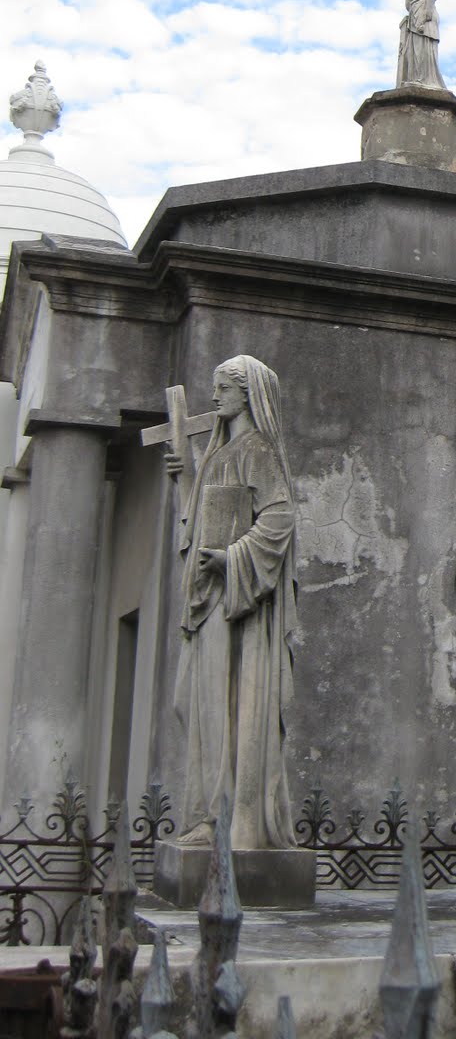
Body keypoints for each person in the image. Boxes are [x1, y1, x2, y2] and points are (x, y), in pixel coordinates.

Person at [169, 355, 299, 850]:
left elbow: (279, 519)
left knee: (231, 704)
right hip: (209, 601)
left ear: (248, 394)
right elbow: (195, 527)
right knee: (201, 704)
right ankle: (207, 814)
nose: (215, 395)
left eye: (224, 387)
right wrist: (182, 478)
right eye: (215, 386)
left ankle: (234, 816)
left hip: (238, 602)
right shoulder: (218, 455)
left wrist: (231, 559)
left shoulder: (258, 450)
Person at [397, 0, 446, 89]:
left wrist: (427, 12)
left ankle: (425, 79)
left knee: (425, 49)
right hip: (414, 17)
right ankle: (416, 77)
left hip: (425, 16)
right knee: (415, 49)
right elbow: (408, 6)